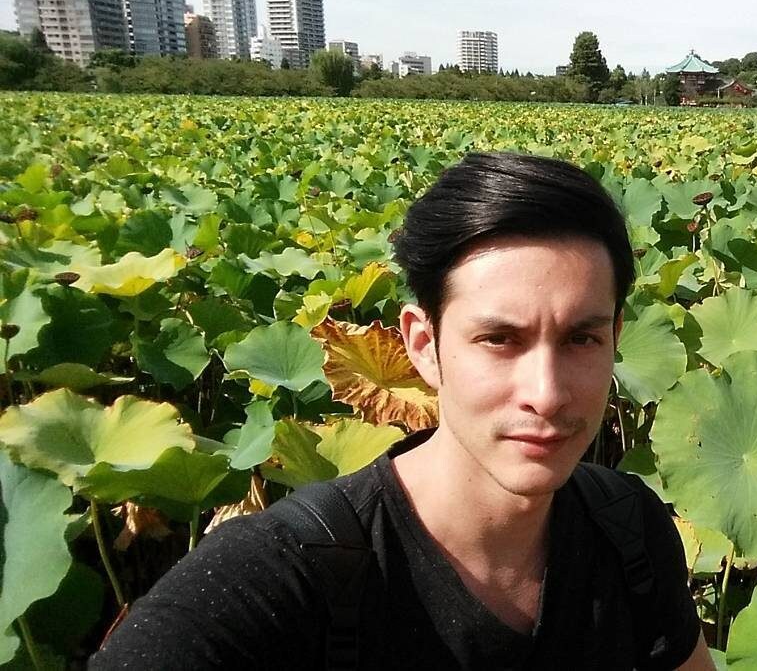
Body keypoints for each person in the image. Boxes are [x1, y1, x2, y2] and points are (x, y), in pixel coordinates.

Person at [91, 152, 712, 670]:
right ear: (423, 345)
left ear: (615, 338)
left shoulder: (629, 530)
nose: (546, 394)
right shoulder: (274, 582)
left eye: (582, 338)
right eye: (499, 340)